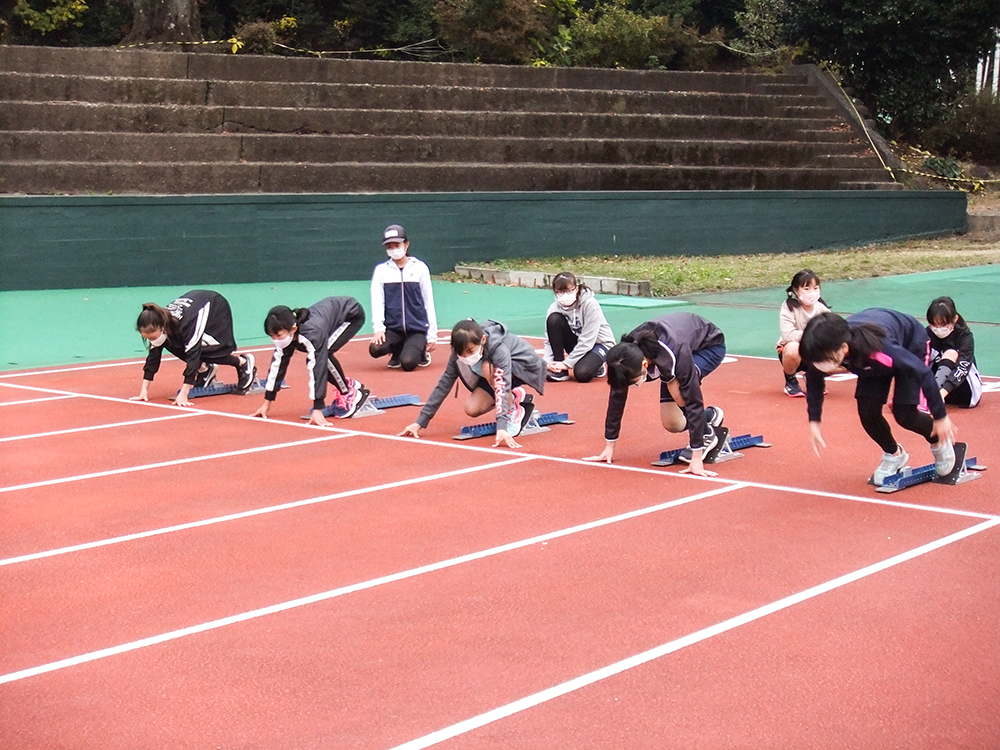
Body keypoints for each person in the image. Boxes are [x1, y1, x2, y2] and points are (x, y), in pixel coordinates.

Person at [798, 309, 957, 486]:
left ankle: (940, 442)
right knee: (867, 412)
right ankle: (894, 454)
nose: (817, 365)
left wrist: (940, 416)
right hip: (868, 361)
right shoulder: (826, 350)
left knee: (905, 414)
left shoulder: (880, 349)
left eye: (820, 361)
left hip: (909, 344)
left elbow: (923, 374)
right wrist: (814, 420)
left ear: (843, 348)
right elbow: (814, 379)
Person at [583, 312, 727, 477]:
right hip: (672, 352)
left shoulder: (674, 352)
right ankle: (710, 416)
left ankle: (707, 433)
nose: (634, 385)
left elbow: (692, 400)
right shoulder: (624, 356)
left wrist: (696, 458)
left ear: (644, 364)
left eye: (634, 381)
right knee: (673, 424)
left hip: (708, 348)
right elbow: (616, 398)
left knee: (680, 392)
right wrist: (609, 447)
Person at [399, 319, 545, 449]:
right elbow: (444, 384)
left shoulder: (498, 348)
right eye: (462, 353)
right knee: (471, 409)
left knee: (487, 367)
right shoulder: (457, 352)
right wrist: (420, 422)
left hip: (523, 370)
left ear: (482, 339)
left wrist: (502, 426)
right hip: (496, 375)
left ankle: (513, 409)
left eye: (470, 351)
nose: (466, 356)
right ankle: (515, 394)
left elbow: (501, 384)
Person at [251, 297, 368, 426]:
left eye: (278, 335)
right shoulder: (286, 337)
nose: (276, 340)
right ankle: (346, 385)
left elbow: (318, 366)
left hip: (350, 314)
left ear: (293, 329)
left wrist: (318, 408)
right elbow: (277, 366)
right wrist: (267, 403)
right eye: (272, 336)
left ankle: (349, 392)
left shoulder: (312, 333)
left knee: (324, 355)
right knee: (321, 355)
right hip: (330, 317)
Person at [132, 290, 256, 407]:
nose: (151, 341)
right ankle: (205, 370)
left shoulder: (186, 325)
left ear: (162, 327)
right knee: (171, 343)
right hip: (193, 306)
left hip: (215, 307)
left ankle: (243, 362)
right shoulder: (157, 322)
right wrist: (144, 391)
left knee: (208, 349)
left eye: (153, 337)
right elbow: (153, 358)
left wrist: (184, 394)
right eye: (147, 338)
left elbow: (193, 355)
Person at [369, 224, 438, 371]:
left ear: (406, 244)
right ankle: (397, 350)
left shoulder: (420, 268)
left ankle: (420, 352)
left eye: (397, 245)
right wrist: (379, 328)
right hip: (394, 329)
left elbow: (428, 301)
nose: (394, 249)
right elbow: (377, 301)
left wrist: (432, 334)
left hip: (417, 328)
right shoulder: (381, 271)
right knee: (375, 349)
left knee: (408, 364)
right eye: (390, 246)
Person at [543, 271, 616, 383]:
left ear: (576, 289)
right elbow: (550, 340)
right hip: (577, 341)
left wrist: (567, 364)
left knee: (582, 374)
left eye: (569, 291)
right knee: (553, 320)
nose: (565, 295)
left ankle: (598, 364)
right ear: (555, 292)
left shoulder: (590, 304)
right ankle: (560, 372)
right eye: (560, 292)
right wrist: (548, 363)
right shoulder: (554, 308)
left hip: (599, 343)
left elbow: (588, 340)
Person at [776, 269, 831, 397]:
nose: (812, 293)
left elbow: (830, 333)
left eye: (815, 288)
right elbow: (788, 335)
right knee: (793, 347)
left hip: (815, 352)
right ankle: (791, 381)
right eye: (806, 288)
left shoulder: (823, 310)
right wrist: (814, 336)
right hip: (793, 352)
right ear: (796, 290)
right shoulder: (788, 307)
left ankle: (814, 377)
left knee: (840, 352)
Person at [925, 296, 982, 408]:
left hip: (963, 391)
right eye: (934, 325)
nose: (938, 329)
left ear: (955, 319)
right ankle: (928, 397)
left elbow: (963, 367)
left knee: (951, 353)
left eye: (943, 325)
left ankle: (935, 396)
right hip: (934, 384)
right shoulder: (927, 334)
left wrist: (941, 394)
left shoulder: (964, 336)